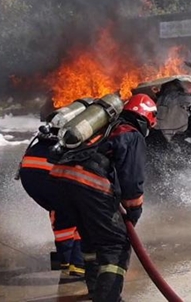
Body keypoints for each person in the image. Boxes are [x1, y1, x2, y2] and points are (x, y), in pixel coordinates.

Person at [50, 94, 155, 301]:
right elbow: (132, 179)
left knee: (90, 239)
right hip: (86, 182)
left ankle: (96, 291)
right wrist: (134, 211)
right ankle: (107, 298)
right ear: (146, 118)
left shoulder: (104, 127)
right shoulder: (130, 133)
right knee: (115, 244)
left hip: (60, 180)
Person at [18, 129, 85, 280]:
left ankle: (62, 262)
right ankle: (77, 265)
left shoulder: (51, 137)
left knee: (61, 213)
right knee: (80, 215)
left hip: (30, 175)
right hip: (49, 174)